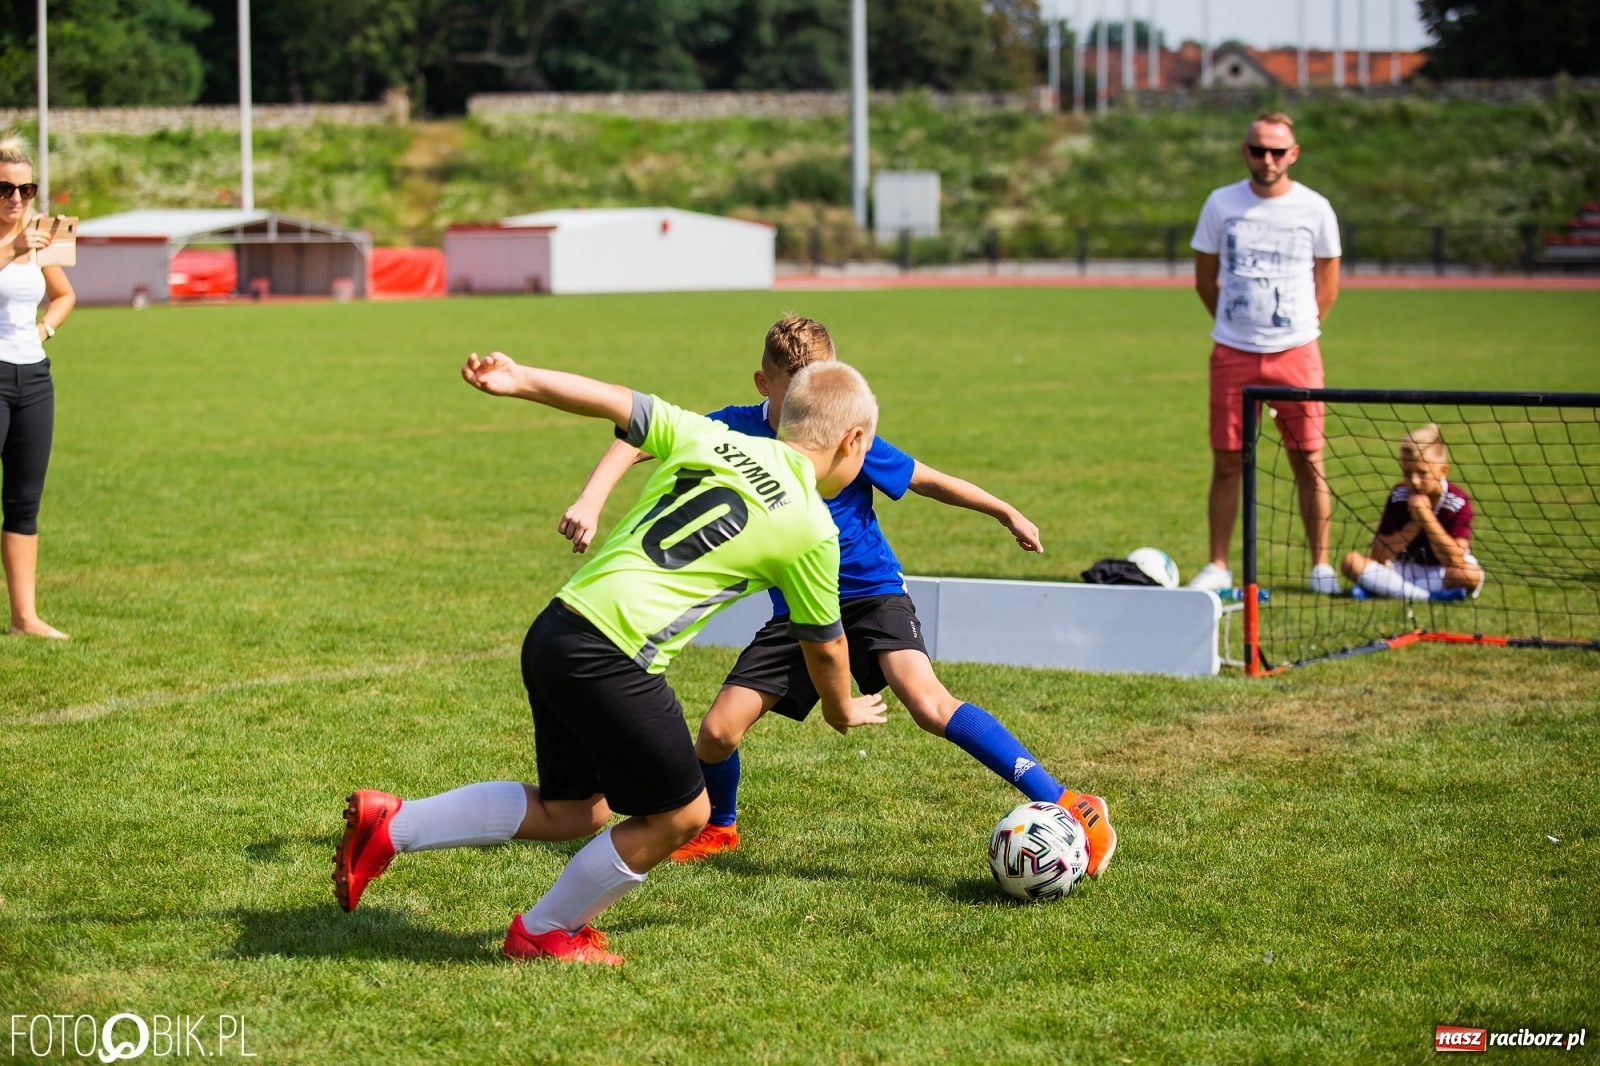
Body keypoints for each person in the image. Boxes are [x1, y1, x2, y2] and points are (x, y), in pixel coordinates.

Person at [333, 351, 890, 965]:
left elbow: (617, 399)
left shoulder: (715, 437)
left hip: (556, 629)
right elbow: (826, 644)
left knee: (574, 809)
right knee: (682, 816)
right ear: (852, 439)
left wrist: (520, 380)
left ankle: (394, 826)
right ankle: (545, 931)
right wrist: (840, 709)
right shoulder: (812, 527)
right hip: (610, 656)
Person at [558, 317, 1117, 877]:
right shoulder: (733, 428)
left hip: (872, 595)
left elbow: (924, 478)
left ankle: (1070, 802)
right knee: (717, 732)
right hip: (802, 610)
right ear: (763, 384)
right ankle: (718, 826)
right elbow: (635, 438)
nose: (813, 401)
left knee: (927, 704)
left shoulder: (844, 429)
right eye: (798, 387)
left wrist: (1004, 510)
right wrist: (591, 497)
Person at [1188, 111, 1340, 598]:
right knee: (1228, 461)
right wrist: (1236, 326)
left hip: (1297, 351)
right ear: (1245, 152)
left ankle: (1320, 565)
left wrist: (1295, 331)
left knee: (1308, 458)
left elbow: (1328, 282)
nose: (1268, 159)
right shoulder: (1220, 203)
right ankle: (1218, 565)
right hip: (1233, 352)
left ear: (1294, 154)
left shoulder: (1315, 208)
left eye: (1278, 151)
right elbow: (1204, 277)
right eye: (1259, 150)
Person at [0, 134, 75, 639]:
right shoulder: (17, 240)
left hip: (33, 376)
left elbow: (65, 295)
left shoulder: (41, 232)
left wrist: (44, 329)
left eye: (27, 190)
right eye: (6, 190)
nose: (16, 200)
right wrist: (10, 249)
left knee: (25, 500)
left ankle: (25, 617)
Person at [1339, 423, 1483, 601]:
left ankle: (1381, 588)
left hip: (1440, 572)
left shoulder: (1457, 502)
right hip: (1403, 568)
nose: (1414, 481)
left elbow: (1453, 559)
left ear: (1443, 470)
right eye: (1407, 473)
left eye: (1422, 473)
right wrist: (1415, 523)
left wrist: (1426, 517)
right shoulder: (1399, 496)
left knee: (1469, 576)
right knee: (1350, 561)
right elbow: (1379, 555)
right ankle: (1427, 597)